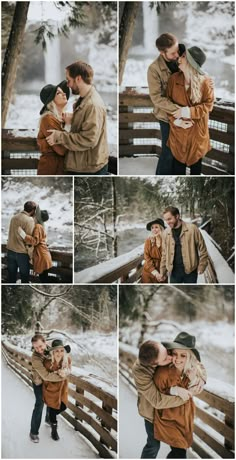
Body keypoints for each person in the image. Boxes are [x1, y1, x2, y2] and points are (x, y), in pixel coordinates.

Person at [133, 337, 206, 459]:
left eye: (168, 353)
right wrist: (184, 394)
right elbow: (157, 401)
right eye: (166, 358)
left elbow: (196, 361)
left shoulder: (162, 351)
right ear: (154, 364)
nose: (172, 358)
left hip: (172, 412)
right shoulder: (141, 372)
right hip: (151, 412)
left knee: (179, 448)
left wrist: (201, 379)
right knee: (153, 445)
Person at [46, 60, 109, 175]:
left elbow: (88, 139)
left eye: (69, 80)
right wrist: (74, 120)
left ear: (78, 79)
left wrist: (59, 136)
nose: (68, 85)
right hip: (84, 165)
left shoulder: (92, 105)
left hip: (88, 170)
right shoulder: (84, 100)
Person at [153, 332, 206, 458]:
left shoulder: (191, 369)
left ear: (190, 357)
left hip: (185, 417)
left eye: (183, 355)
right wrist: (173, 390)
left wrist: (198, 379)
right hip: (168, 418)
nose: (178, 358)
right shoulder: (163, 372)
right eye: (175, 354)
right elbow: (156, 396)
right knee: (180, 453)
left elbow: (200, 370)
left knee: (180, 451)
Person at [166, 46, 214, 175]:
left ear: (191, 63)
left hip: (197, 133)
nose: (179, 59)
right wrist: (176, 121)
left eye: (183, 57)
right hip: (178, 132)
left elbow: (208, 105)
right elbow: (167, 104)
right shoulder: (173, 79)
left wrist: (188, 112)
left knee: (196, 170)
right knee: (178, 169)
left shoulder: (205, 82)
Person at [147, 33, 187, 175]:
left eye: (177, 50)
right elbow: (156, 98)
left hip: (185, 116)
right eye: (173, 53)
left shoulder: (182, 58)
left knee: (181, 154)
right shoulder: (154, 69)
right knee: (169, 152)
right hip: (167, 117)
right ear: (162, 52)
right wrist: (179, 110)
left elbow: (197, 72)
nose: (177, 55)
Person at [30, 334, 66, 443]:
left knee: (51, 400)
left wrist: (64, 370)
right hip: (39, 382)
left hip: (50, 381)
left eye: (40, 346)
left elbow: (62, 358)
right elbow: (45, 375)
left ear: (45, 342)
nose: (39, 349)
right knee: (40, 404)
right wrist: (61, 377)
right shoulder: (35, 358)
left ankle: (48, 419)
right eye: (36, 347)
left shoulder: (52, 349)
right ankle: (33, 432)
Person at [160, 206, 208, 284]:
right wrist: (162, 271)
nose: (168, 222)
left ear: (177, 216)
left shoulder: (192, 229)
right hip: (173, 272)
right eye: (166, 220)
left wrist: (202, 265)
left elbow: (203, 249)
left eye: (169, 219)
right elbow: (164, 254)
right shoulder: (165, 233)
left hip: (191, 271)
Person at [37, 80, 70, 175]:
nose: (64, 94)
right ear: (51, 101)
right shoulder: (48, 119)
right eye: (58, 93)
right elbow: (62, 149)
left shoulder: (63, 117)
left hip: (62, 168)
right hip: (52, 169)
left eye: (63, 91)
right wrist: (68, 126)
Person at [42, 339, 71, 441]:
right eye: (57, 351)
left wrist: (65, 372)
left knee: (63, 406)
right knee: (53, 409)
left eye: (61, 350)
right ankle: (54, 430)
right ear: (52, 352)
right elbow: (45, 376)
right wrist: (58, 373)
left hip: (62, 389)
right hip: (51, 388)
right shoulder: (47, 362)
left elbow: (69, 370)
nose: (59, 353)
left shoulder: (67, 360)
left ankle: (49, 416)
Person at [17, 205, 53, 283]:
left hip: (42, 257)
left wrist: (23, 235)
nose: (33, 216)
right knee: (44, 278)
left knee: (43, 279)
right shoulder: (40, 226)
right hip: (43, 256)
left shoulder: (38, 226)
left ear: (38, 217)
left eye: (35, 215)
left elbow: (35, 241)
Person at [6, 201, 36, 283]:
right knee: (25, 278)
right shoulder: (29, 220)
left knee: (11, 277)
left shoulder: (14, 217)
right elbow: (29, 240)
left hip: (10, 251)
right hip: (21, 254)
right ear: (33, 210)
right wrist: (31, 255)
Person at [141, 218, 167, 283]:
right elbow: (147, 257)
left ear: (161, 228)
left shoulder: (167, 241)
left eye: (156, 227)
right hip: (149, 271)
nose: (154, 230)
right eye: (152, 228)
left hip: (162, 271)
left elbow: (169, 258)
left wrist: (164, 273)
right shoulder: (148, 241)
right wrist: (155, 273)